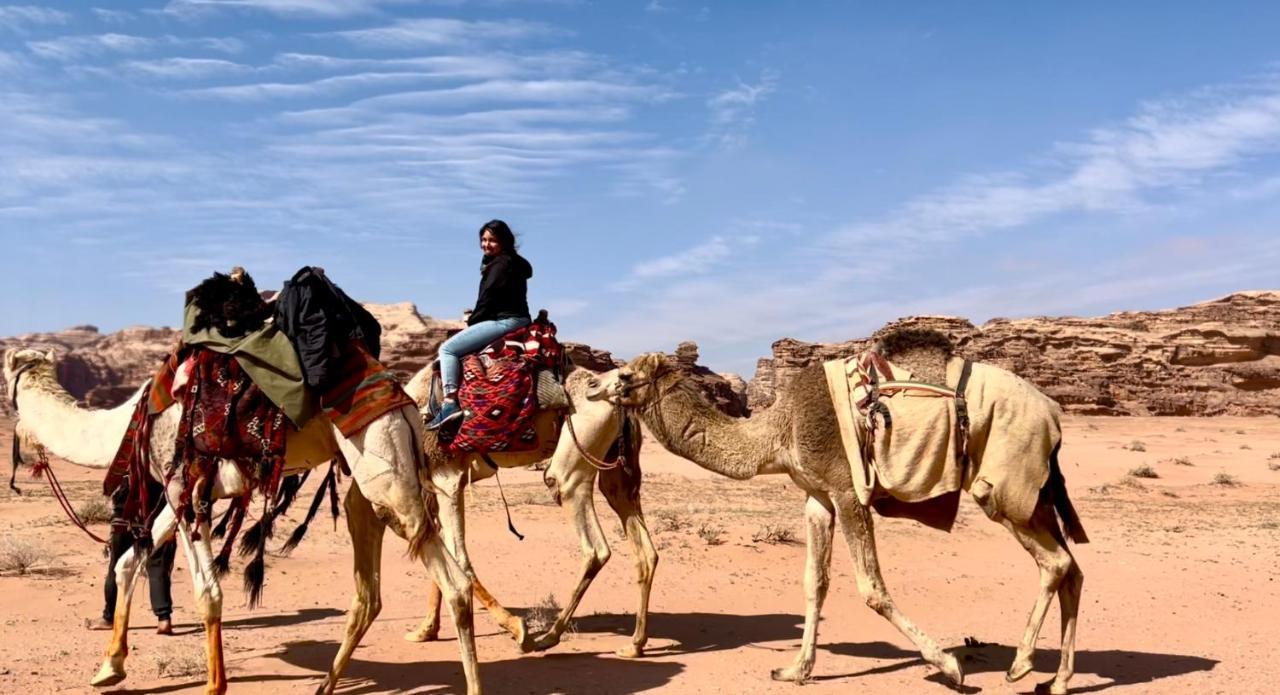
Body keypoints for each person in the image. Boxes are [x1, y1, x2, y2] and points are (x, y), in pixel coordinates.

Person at [427, 219, 533, 429]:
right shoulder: (511, 262)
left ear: (504, 241)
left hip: (507, 321)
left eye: (492, 240)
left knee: (447, 349)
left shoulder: (500, 265)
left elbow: (488, 298)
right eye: (483, 240)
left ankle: (449, 403)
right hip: (515, 318)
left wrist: (472, 321)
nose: (486, 244)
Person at [88, 474, 177, 635]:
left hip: (125, 519)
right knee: (158, 568)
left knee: (116, 567)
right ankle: (164, 620)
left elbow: (110, 486)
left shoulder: (126, 455)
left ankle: (109, 618)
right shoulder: (163, 463)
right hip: (158, 519)